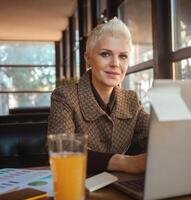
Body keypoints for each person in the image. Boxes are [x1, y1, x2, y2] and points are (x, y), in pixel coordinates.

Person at [48, 17, 149, 174]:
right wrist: (124, 163)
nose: (115, 63)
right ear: (88, 58)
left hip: (120, 186)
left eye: (123, 56)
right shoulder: (64, 96)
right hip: (78, 186)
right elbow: (62, 147)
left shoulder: (131, 100)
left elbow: (155, 137)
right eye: (105, 54)